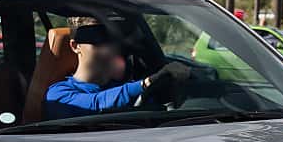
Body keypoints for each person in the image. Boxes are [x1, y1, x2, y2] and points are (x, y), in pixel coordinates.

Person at [41, 22, 188, 119]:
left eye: (112, 39)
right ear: (75, 46)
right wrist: (146, 83)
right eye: (96, 38)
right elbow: (96, 104)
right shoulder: (58, 94)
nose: (108, 47)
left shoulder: (128, 88)